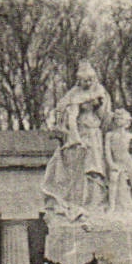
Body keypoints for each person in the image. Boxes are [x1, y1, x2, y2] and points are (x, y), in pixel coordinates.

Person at [40, 60, 112, 220]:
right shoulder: (74, 94)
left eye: (90, 79)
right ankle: (83, 205)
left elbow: (105, 115)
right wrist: (76, 139)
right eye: (85, 80)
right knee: (84, 170)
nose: (88, 83)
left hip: (95, 133)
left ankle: (96, 204)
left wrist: (99, 105)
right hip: (81, 134)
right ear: (79, 80)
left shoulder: (100, 90)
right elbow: (68, 116)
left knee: (96, 168)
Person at [104, 108, 132, 220]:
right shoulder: (109, 135)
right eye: (117, 118)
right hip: (116, 162)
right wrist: (111, 164)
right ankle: (111, 206)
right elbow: (107, 152)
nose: (118, 120)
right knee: (113, 180)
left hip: (127, 162)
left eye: (121, 118)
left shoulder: (129, 135)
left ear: (127, 122)